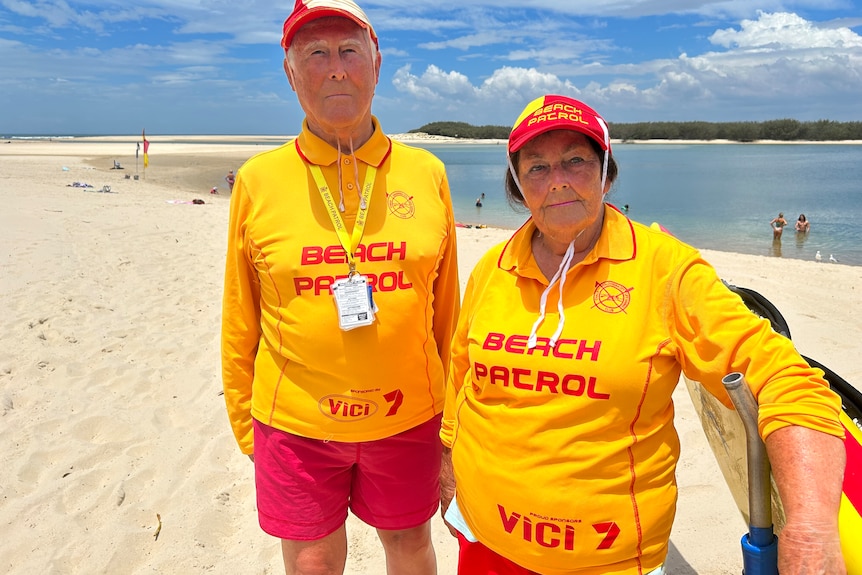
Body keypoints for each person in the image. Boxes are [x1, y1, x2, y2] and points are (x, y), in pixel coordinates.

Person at [439, 94, 847, 575]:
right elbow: (464, 376)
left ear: (607, 173)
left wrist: (810, 530)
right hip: (485, 540)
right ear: (517, 185)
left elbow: (786, 381)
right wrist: (449, 472)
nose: (559, 181)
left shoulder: (665, 270)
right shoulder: (493, 266)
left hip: (606, 559)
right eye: (537, 168)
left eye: (575, 161)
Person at [220, 2, 460, 574]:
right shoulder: (258, 179)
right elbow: (239, 317)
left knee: (409, 544)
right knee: (312, 561)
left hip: (408, 416)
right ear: (289, 71)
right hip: (294, 423)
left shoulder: (426, 173)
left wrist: (452, 422)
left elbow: (448, 312)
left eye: (349, 50)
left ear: (376, 62)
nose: (335, 68)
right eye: (316, 53)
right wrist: (246, 424)